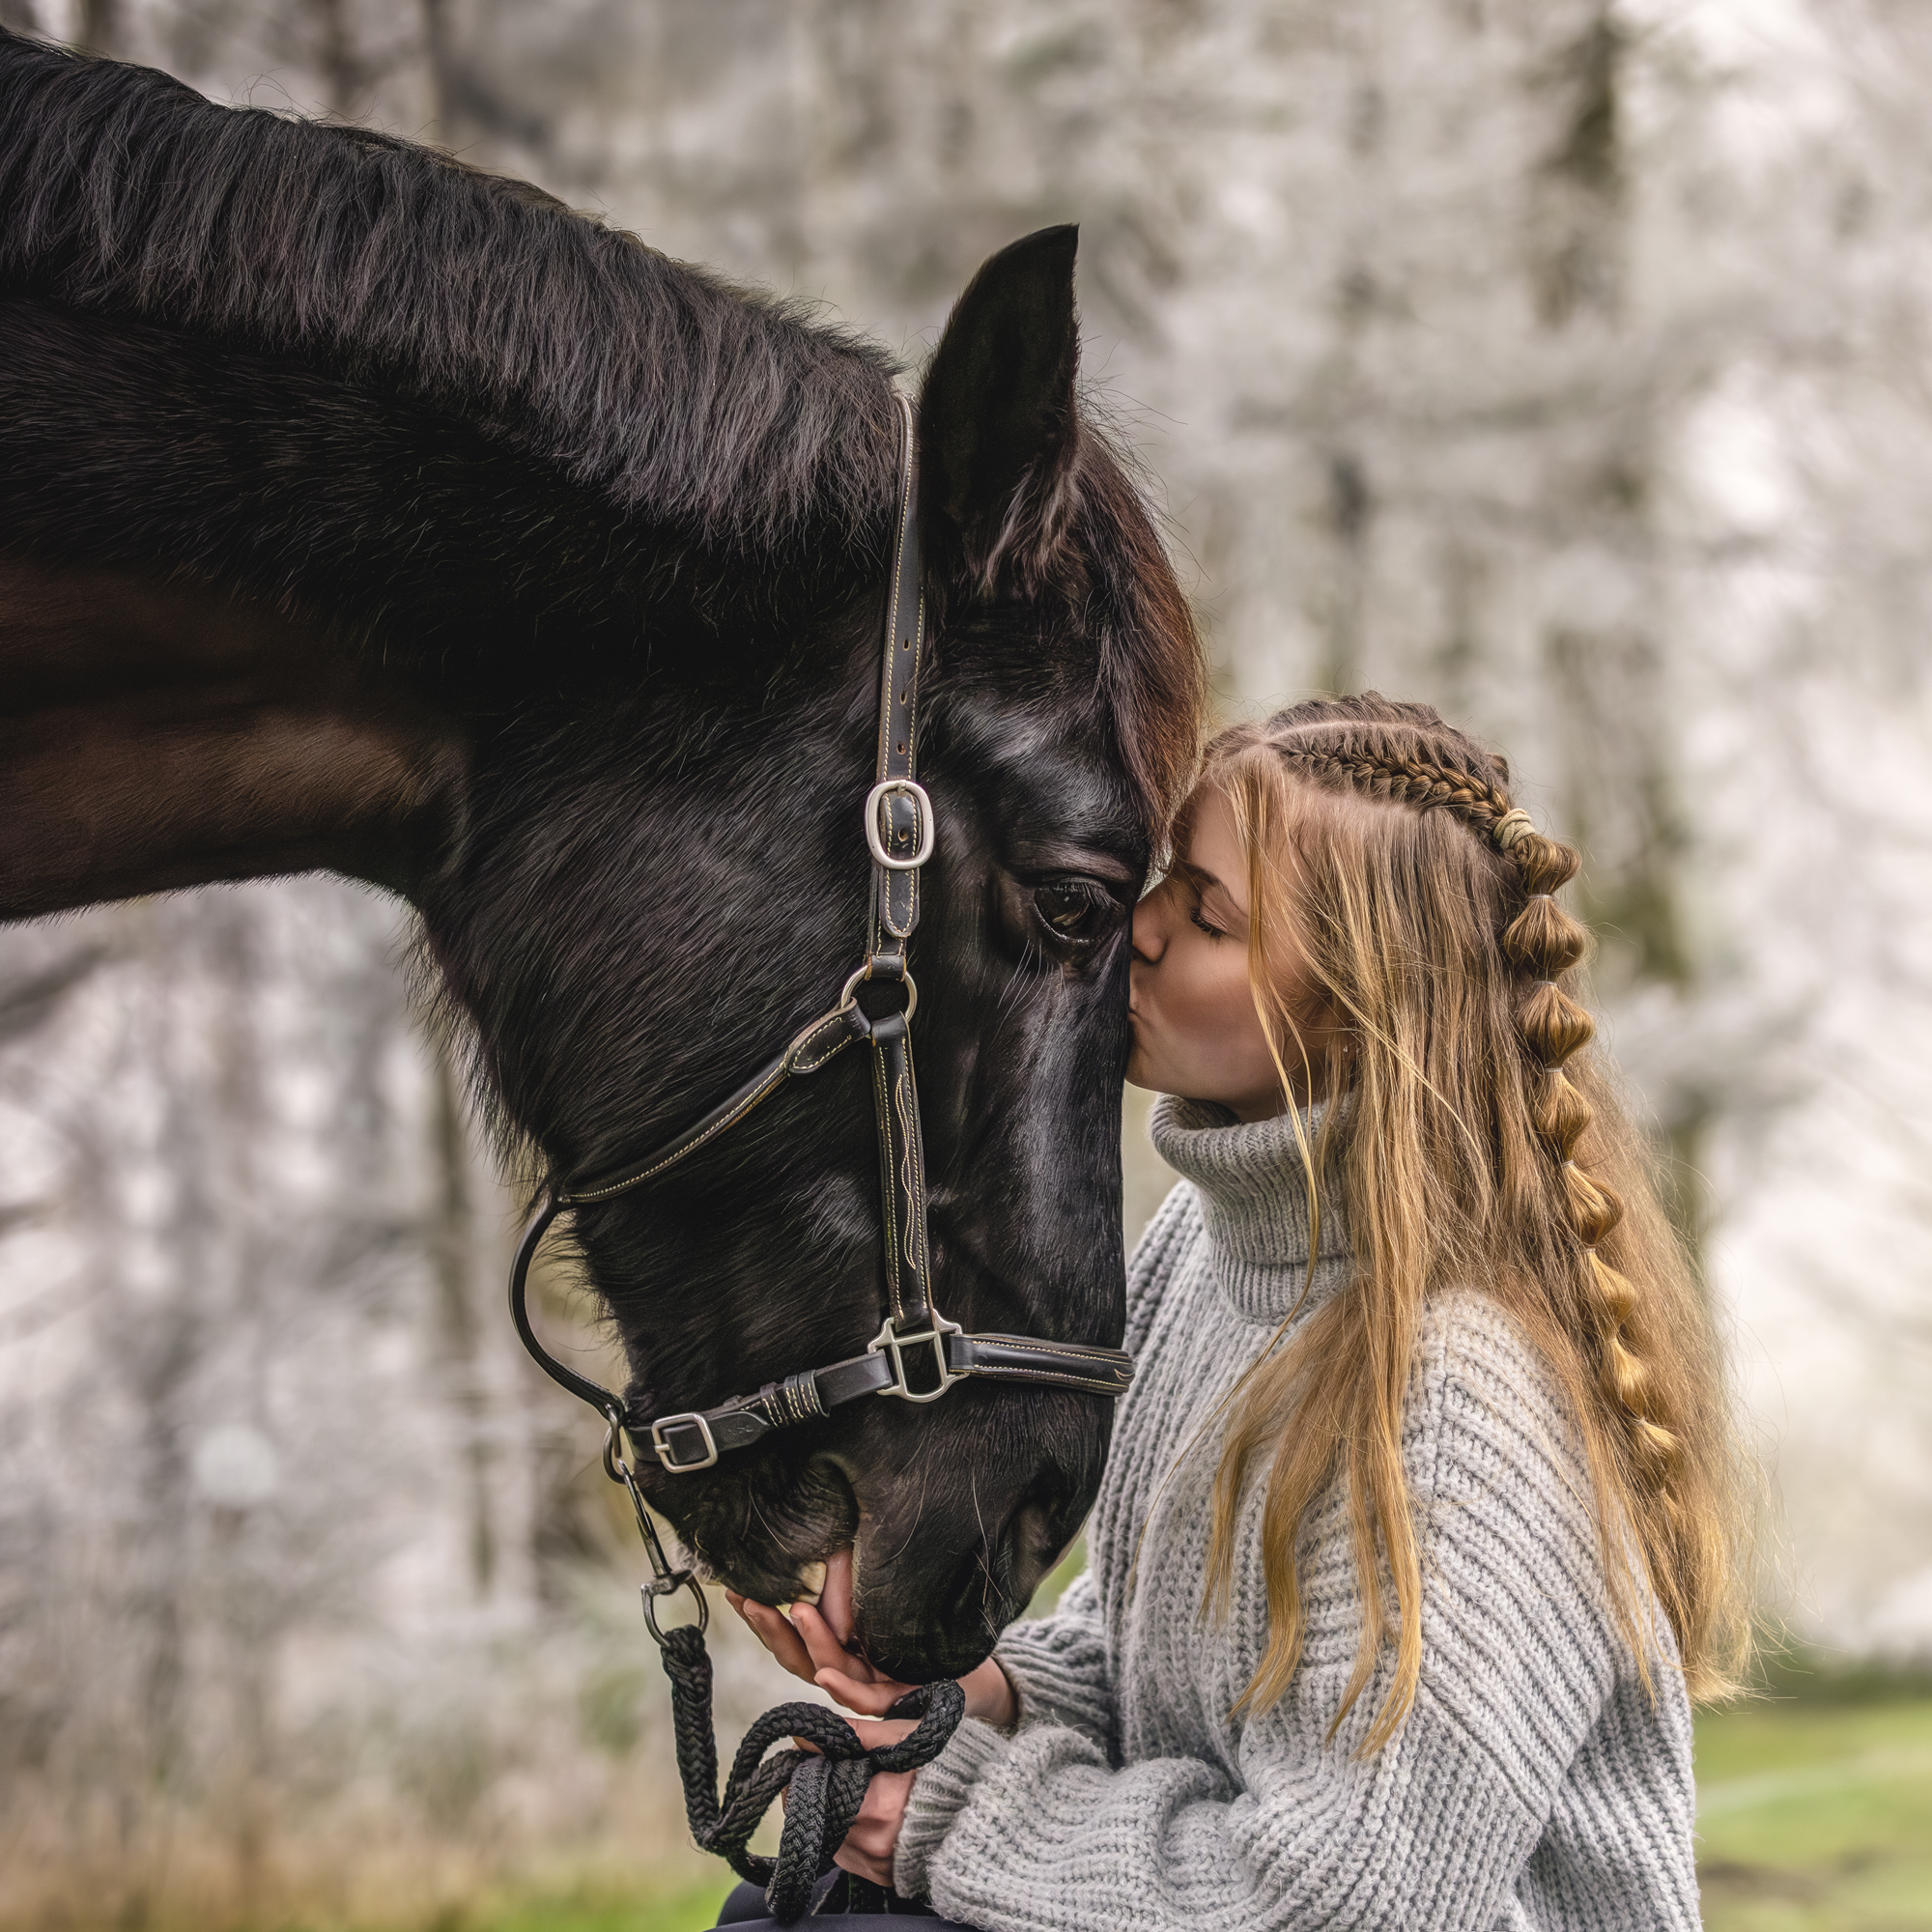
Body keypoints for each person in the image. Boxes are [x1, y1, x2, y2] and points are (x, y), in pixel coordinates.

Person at [724, 694, 1748, 1928]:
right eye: (1166, 878)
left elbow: (1348, 1901)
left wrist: (956, 1815)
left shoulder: (1463, 1395)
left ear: (1367, 1008)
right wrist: (972, 1694)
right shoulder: (1204, 1251)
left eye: (1207, 915)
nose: (1140, 927)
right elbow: (1150, 1671)